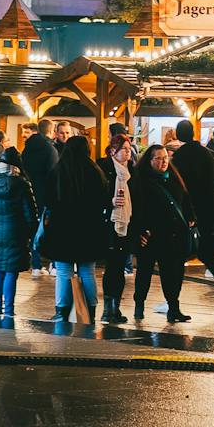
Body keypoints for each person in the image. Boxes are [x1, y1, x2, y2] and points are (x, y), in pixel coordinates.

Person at [170, 118, 214, 317]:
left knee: (179, 257)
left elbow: (180, 188)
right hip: (213, 209)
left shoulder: (179, 157)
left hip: (191, 213)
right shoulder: (209, 154)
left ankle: (172, 304)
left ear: (178, 135)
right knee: (204, 252)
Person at [43, 135, 110, 323]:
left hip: (62, 228)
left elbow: (48, 199)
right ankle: (89, 311)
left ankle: (61, 312)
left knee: (64, 271)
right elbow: (104, 200)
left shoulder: (58, 170)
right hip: (89, 228)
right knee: (87, 271)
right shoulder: (95, 171)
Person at [130, 143, 192, 323]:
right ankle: (139, 305)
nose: (163, 162)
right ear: (149, 160)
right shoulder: (141, 180)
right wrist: (139, 231)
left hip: (172, 235)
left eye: (165, 158)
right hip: (150, 235)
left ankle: (173, 308)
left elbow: (184, 200)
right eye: (158, 158)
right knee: (144, 272)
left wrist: (190, 216)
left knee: (171, 273)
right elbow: (137, 208)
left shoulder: (173, 177)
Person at [0, 149, 36, 316]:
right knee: (11, 271)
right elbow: (30, 213)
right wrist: (32, 232)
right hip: (16, 231)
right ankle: (9, 309)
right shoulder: (21, 184)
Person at [98, 125, 135, 323]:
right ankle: (108, 309)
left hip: (127, 223)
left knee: (120, 267)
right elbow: (95, 195)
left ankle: (116, 308)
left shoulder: (131, 171)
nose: (128, 153)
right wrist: (109, 202)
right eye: (124, 149)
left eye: (129, 149)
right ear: (113, 151)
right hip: (110, 223)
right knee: (111, 266)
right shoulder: (105, 168)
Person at [21, 118, 60, 273]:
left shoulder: (27, 148)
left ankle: (36, 265)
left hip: (31, 192)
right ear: (51, 131)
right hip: (46, 194)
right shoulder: (50, 150)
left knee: (35, 229)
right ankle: (54, 264)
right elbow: (53, 174)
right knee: (51, 229)